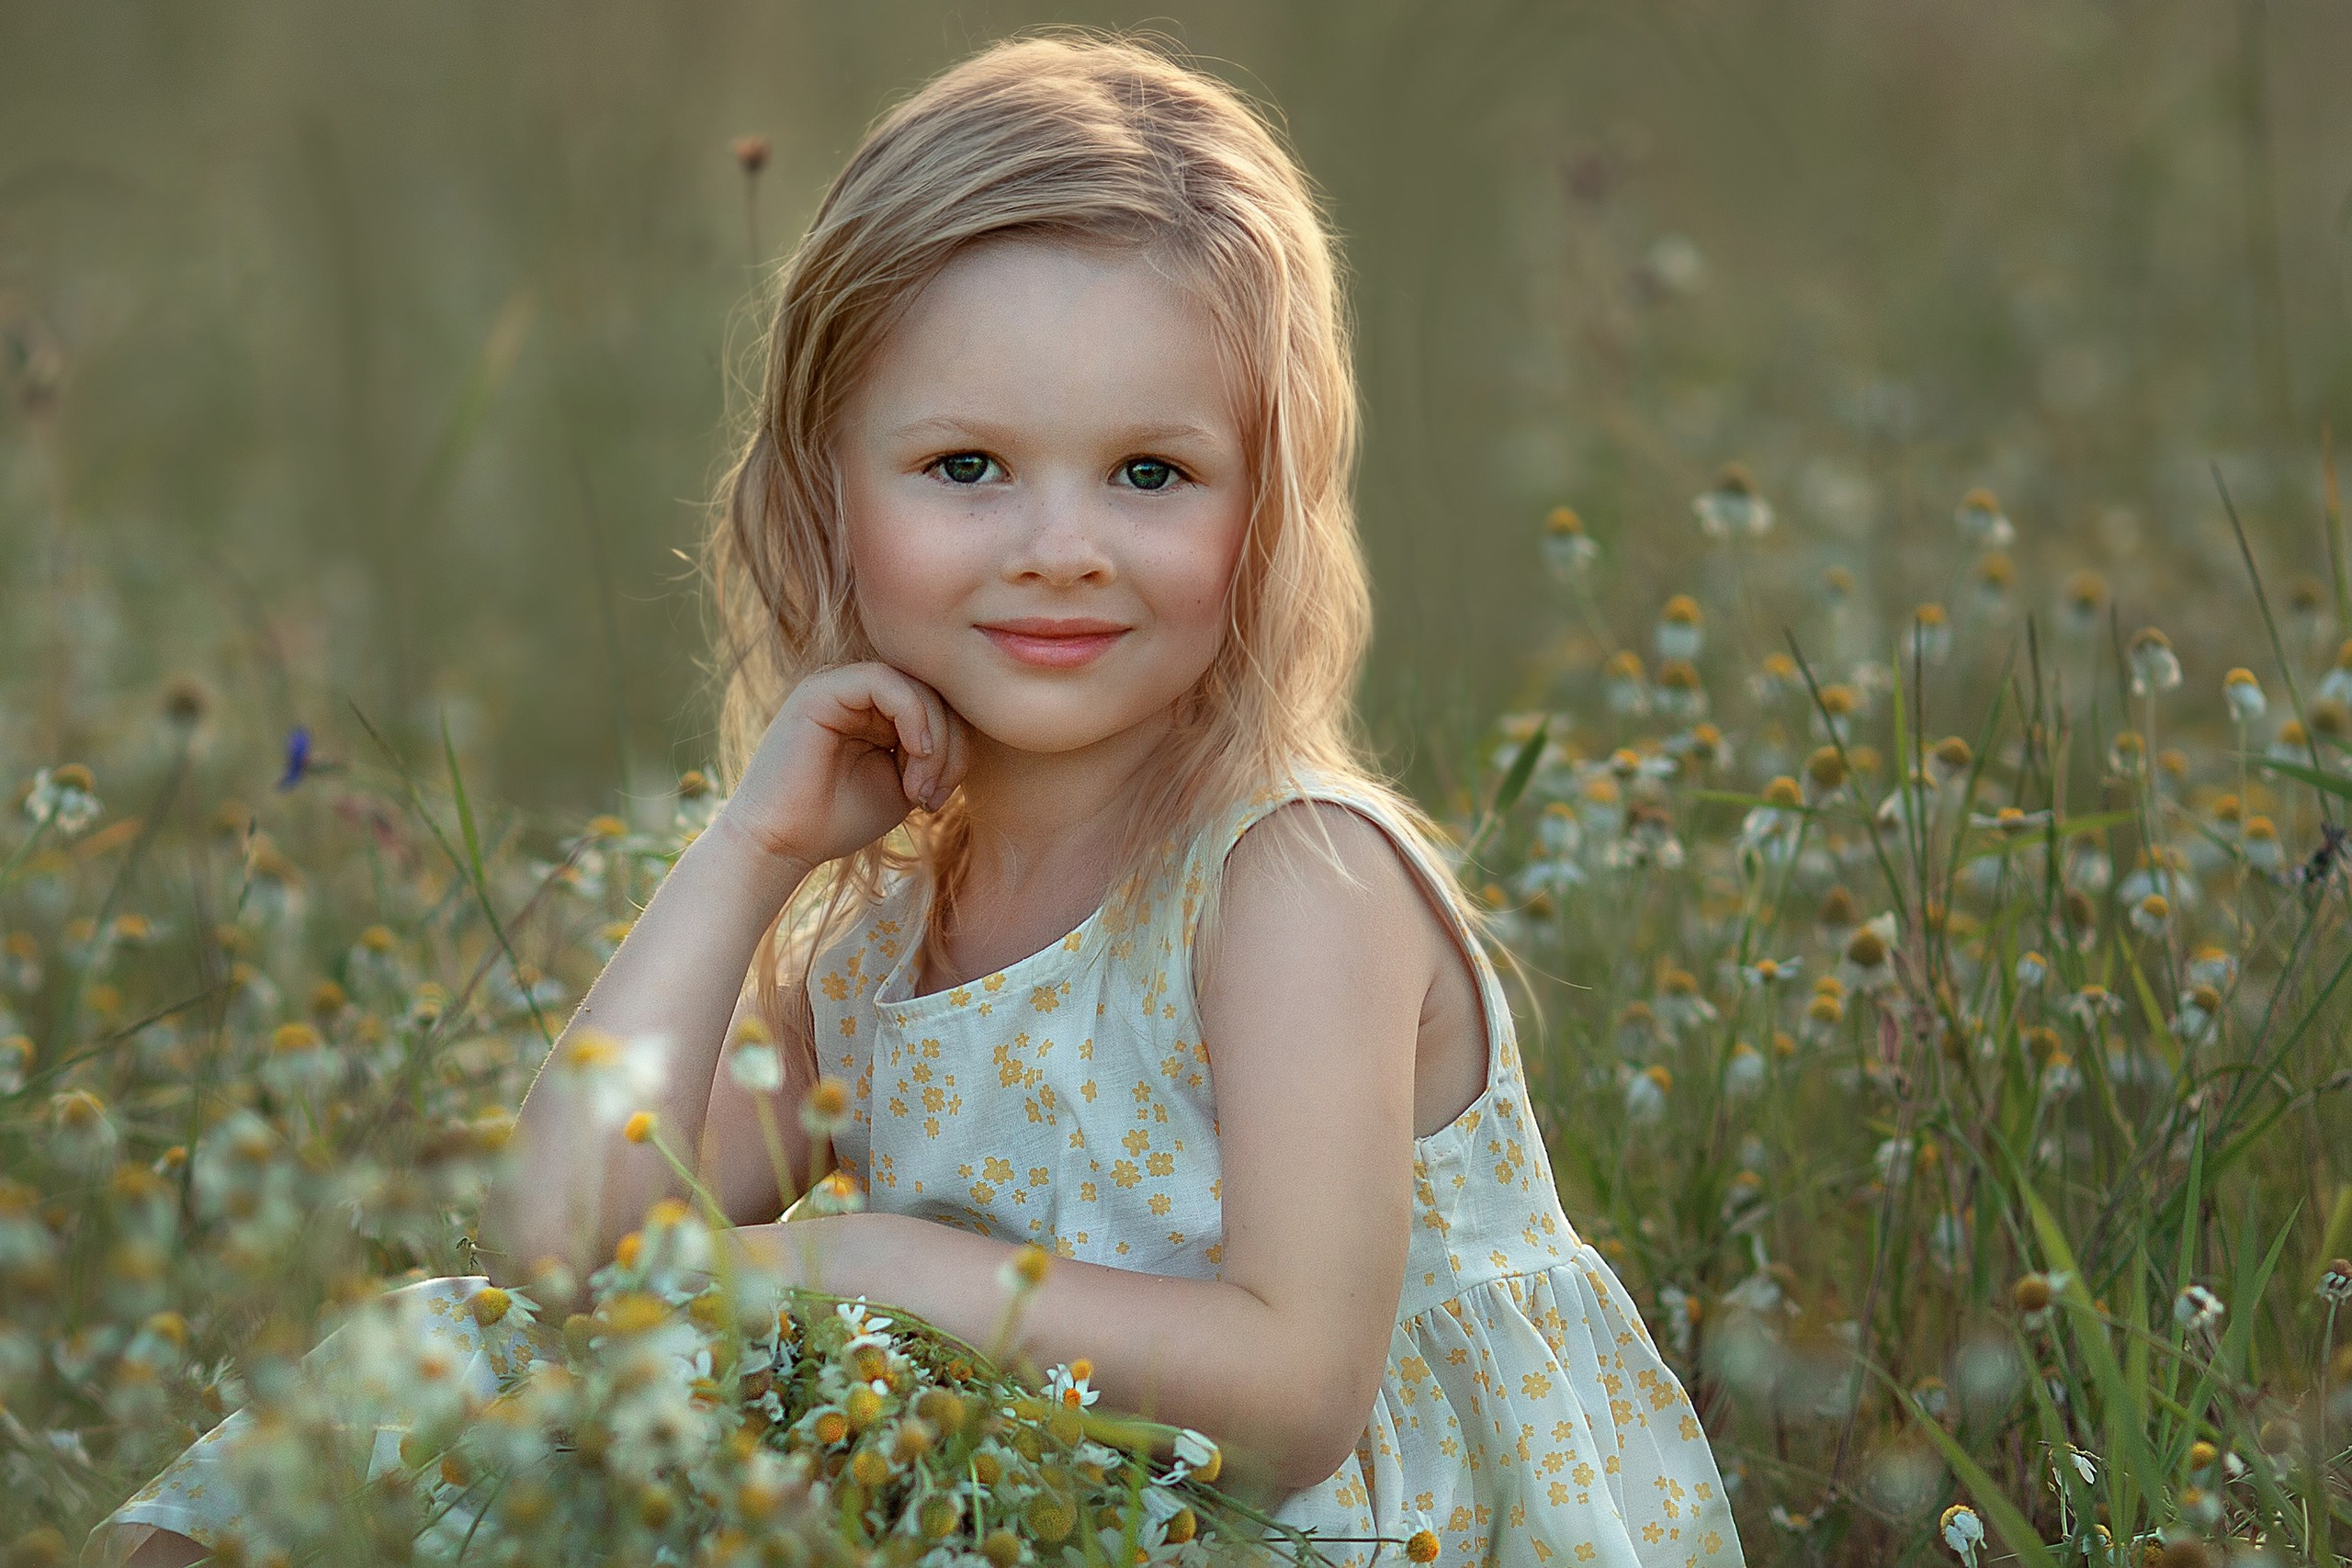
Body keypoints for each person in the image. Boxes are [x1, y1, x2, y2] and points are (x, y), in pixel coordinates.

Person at [98, 30, 1742, 1568]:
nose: (1061, 545)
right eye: (966, 467)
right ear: (828, 493)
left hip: (1323, 1528)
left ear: (1271, 502)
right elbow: (558, 1242)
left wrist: (871, 1267)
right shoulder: (885, 923)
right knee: (444, 1344)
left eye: (1151, 473)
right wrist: (750, 853)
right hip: (1020, 1486)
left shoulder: (1293, 879)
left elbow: (1295, 1399)